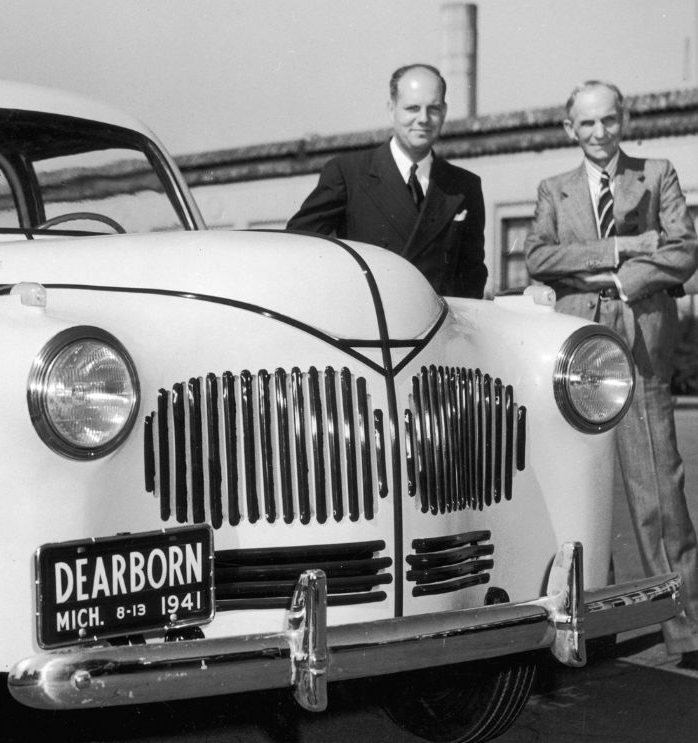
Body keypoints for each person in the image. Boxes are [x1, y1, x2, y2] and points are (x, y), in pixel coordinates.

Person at [524, 80, 698, 669]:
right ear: (569, 128)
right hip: (575, 350)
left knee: (658, 490)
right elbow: (539, 257)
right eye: (587, 123)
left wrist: (623, 281)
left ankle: (687, 630)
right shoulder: (554, 190)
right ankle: (593, 627)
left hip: (642, 344)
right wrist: (621, 247)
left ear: (625, 120)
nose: (599, 133)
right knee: (579, 488)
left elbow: (683, 248)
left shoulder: (658, 174)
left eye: (609, 120)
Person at [287, 63, 487, 298]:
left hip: (435, 318)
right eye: (412, 108)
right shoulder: (348, 174)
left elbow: (472, 275)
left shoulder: (464, 186)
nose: (423, 119)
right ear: (392, 109)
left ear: (444, 111)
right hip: (370, 315)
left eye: (433, 109)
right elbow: (298, 248)